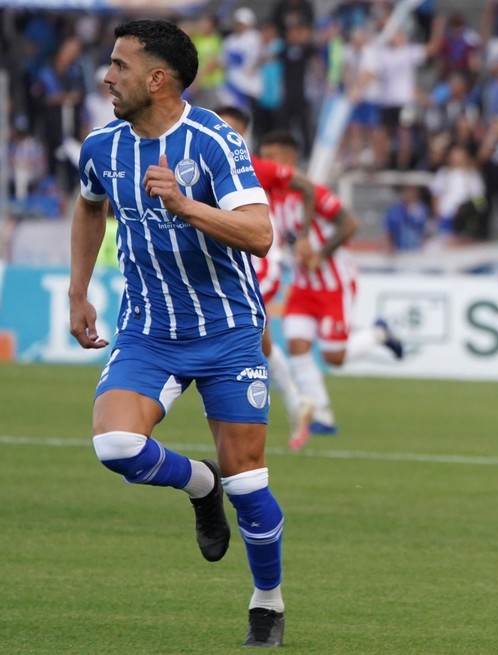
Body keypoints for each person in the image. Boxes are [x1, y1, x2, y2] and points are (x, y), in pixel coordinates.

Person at [68, 19, 285, 646]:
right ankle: (199, 482)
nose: (107, 77)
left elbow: (260, 234)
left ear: (158, 79)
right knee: (116, 447)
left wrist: (185, 204)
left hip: (227, 331)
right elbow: (88, 206)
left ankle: (267, 602)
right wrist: (79, 290)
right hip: (149, 331)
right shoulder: (101, 147)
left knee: (250, 484)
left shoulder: (214, 141)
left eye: (121, 66)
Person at [258, 130, 404, 442]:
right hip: (302, 282)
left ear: (290, 158)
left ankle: (378, 334)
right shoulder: (270, 196)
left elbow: (350, 223)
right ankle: (322, 413)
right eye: (264, 158)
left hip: (333, 281)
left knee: (334, 357)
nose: (268, 164)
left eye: (273, 157)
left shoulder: (312, 192)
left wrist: (321, 254)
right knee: (297, 345)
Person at [215, 105, 317, 450]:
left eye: (230, 127)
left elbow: (306, 186)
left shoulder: (256, 166)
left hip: (259, 260)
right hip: (230, 258)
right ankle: (295, 400)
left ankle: (276, 401)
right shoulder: (201, 162)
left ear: (242, 133)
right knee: (258, 337)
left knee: (248, 332)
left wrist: (303, 236)